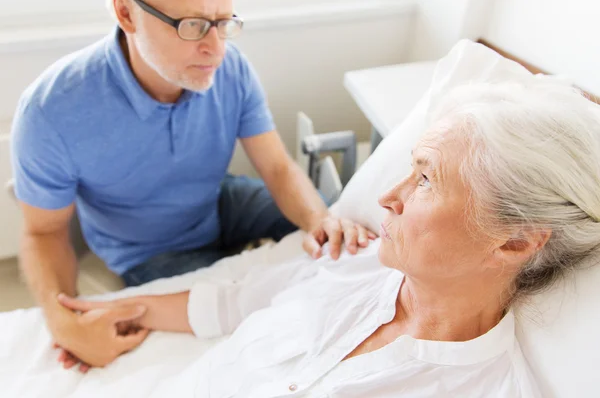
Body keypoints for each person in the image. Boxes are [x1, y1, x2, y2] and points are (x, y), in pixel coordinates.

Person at [57, 80, 600, 396]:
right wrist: (124, 310)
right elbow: (235, 300)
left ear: (514, 243)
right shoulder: (357, 258)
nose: (389, 194)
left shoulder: (485, 389)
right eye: (410, 169)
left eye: (427, 179)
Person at [10, 0, 374, 373]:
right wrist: (63, 323)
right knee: (232, 314)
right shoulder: (51, 110)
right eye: (192, 26)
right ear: (125, 12)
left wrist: (318, 219)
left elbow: (279, 168)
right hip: (150, 248)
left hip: (217, 201)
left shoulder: (231, 69)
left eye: (222, 22)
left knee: (344, 227)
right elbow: (44, 232)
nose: (216, 49)